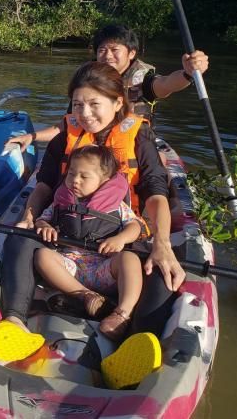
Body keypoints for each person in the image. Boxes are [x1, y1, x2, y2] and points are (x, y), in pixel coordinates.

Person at [0, 61, 182, 387]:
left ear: (117, 103)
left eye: (94, 104)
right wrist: (30, 218)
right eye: (78, 104)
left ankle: (132, 344)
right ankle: (14, 322)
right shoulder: (65, 136)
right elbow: (44, 187)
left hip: (123, 241)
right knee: (19, 238)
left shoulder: (138, 138)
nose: (85, 113)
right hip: (68, 236)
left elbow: (155, 194)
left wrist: (163, 244)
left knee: (164, 270)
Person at [7, 24, 210, 150]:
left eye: (115, 49)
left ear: (131, 53)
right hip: (90, 150)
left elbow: (166, 85)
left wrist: (187, 74)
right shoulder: (88, 80)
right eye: (102, 49)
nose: (107, 55)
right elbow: (69, 124)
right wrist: (32, 137)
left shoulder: (143, 79)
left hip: (131, 148)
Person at [28, 145, 149, 342]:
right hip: (70, 267)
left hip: (103, 268)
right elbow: (43, 219)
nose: (75, 180)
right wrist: (44, 226)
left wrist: (120, 239)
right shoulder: (61, 202)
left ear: (104, 181)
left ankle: (122, 314)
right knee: (42, 256)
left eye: (84, 177)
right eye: (72, 173)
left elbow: (134, 227)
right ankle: (86, 296)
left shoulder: (117, 205)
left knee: (129, 258)